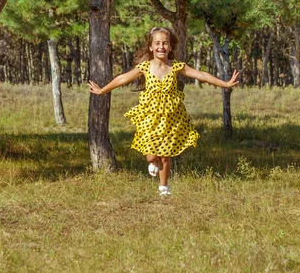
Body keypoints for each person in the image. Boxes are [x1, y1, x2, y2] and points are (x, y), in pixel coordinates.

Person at [88, 26, 239, 196]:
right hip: (149, 117)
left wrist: (225, 84)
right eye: (157, 43)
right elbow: (122, 78)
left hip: (171, 118)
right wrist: (103, 90)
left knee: (165, 155)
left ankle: (164, 188)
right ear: (151, 47)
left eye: (165, 43)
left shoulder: (176, 66)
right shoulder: (145, 67)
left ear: (170, 47)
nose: (161, 47)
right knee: (152, 156)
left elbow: (201, 75)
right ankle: (152, 164)